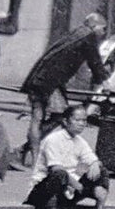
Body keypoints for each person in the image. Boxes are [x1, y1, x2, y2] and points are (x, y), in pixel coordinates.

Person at [19, 13, 110, 169]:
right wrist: (106, 83)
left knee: (37, 117)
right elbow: (95, 62)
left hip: (40, 76)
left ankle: (28, 153)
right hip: (51, 81)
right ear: (94, 26)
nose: (103, 33)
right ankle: (28, 153)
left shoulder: (77, 32)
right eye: (103, 29)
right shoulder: (88, 35)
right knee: (61, 115)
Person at [24, 104, 111, 209]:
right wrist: (79, 187)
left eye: (84, 120)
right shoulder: (53, 140)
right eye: (77, 120)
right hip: (44, 191)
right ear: (65, 121)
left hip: (67, 191)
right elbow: (56, 168)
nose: (81, 124)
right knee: (59, 174)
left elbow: (92, 159)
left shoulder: (80, 141)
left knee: (102, 170)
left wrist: (95, 163)